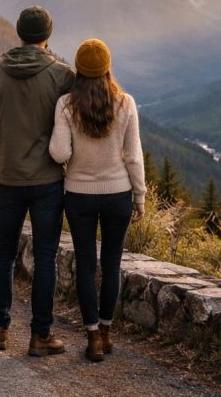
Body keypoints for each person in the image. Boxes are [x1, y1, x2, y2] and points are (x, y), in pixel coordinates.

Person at [0, 5, 75, 356]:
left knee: (4, 254)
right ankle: (40, 335)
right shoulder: (62, 76)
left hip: (7, 178)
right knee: (45, 257)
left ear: (19, 32)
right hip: (47, 180)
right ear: (47, 35)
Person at [48, 38, 146, 362]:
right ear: (107, 67)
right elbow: (133, 156)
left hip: (79, 196)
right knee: (112, 263)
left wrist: (74, 159)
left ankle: (91, 337)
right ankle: (106, 332)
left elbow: (60, 152)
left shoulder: (65, 104)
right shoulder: (125, 102)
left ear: (78, 69)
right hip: (118, 195)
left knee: (86, 265)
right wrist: (140, 196)